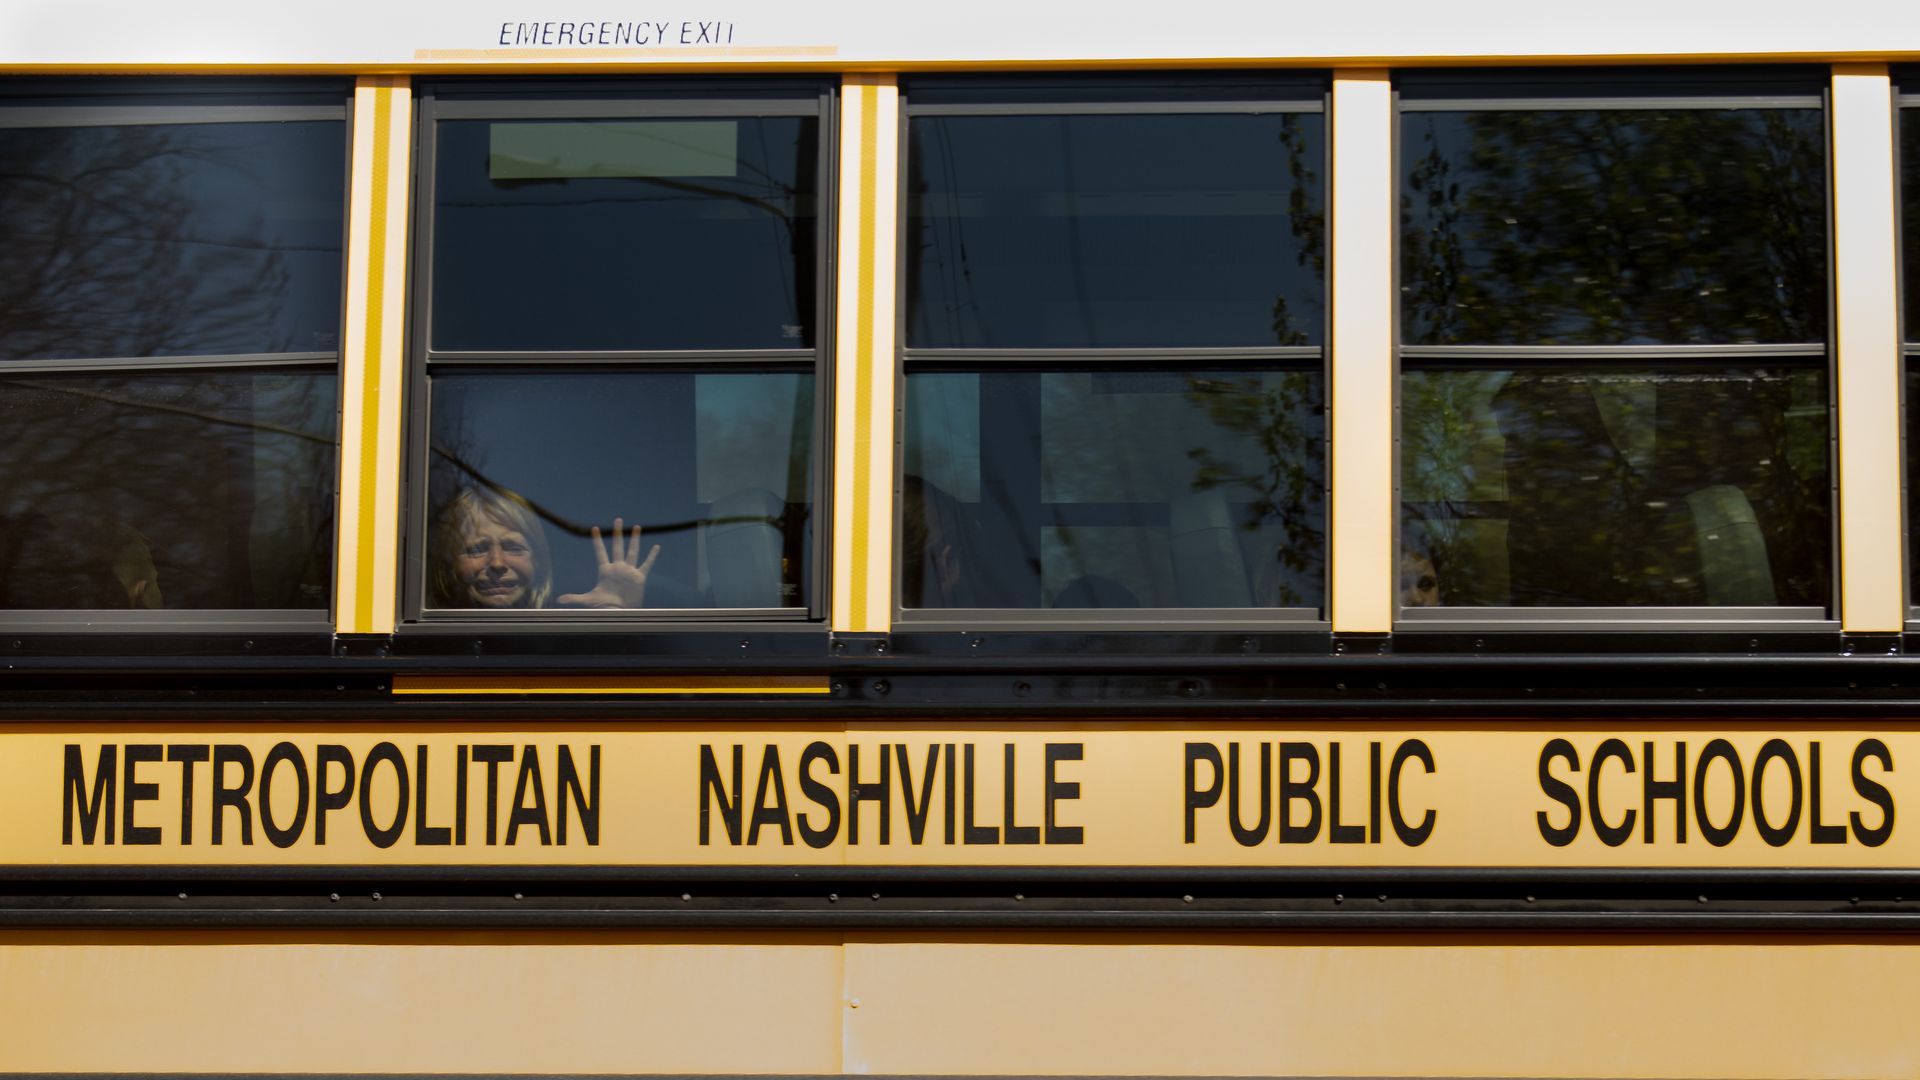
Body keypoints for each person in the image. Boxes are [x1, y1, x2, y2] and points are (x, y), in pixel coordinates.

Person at [430, 486, 660, 609]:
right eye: (477, 549)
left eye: (513, 547)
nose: (497, 563)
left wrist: (615, 614)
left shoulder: (564, 631)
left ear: (538, 561)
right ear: (449, 564)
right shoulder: (428, 631)